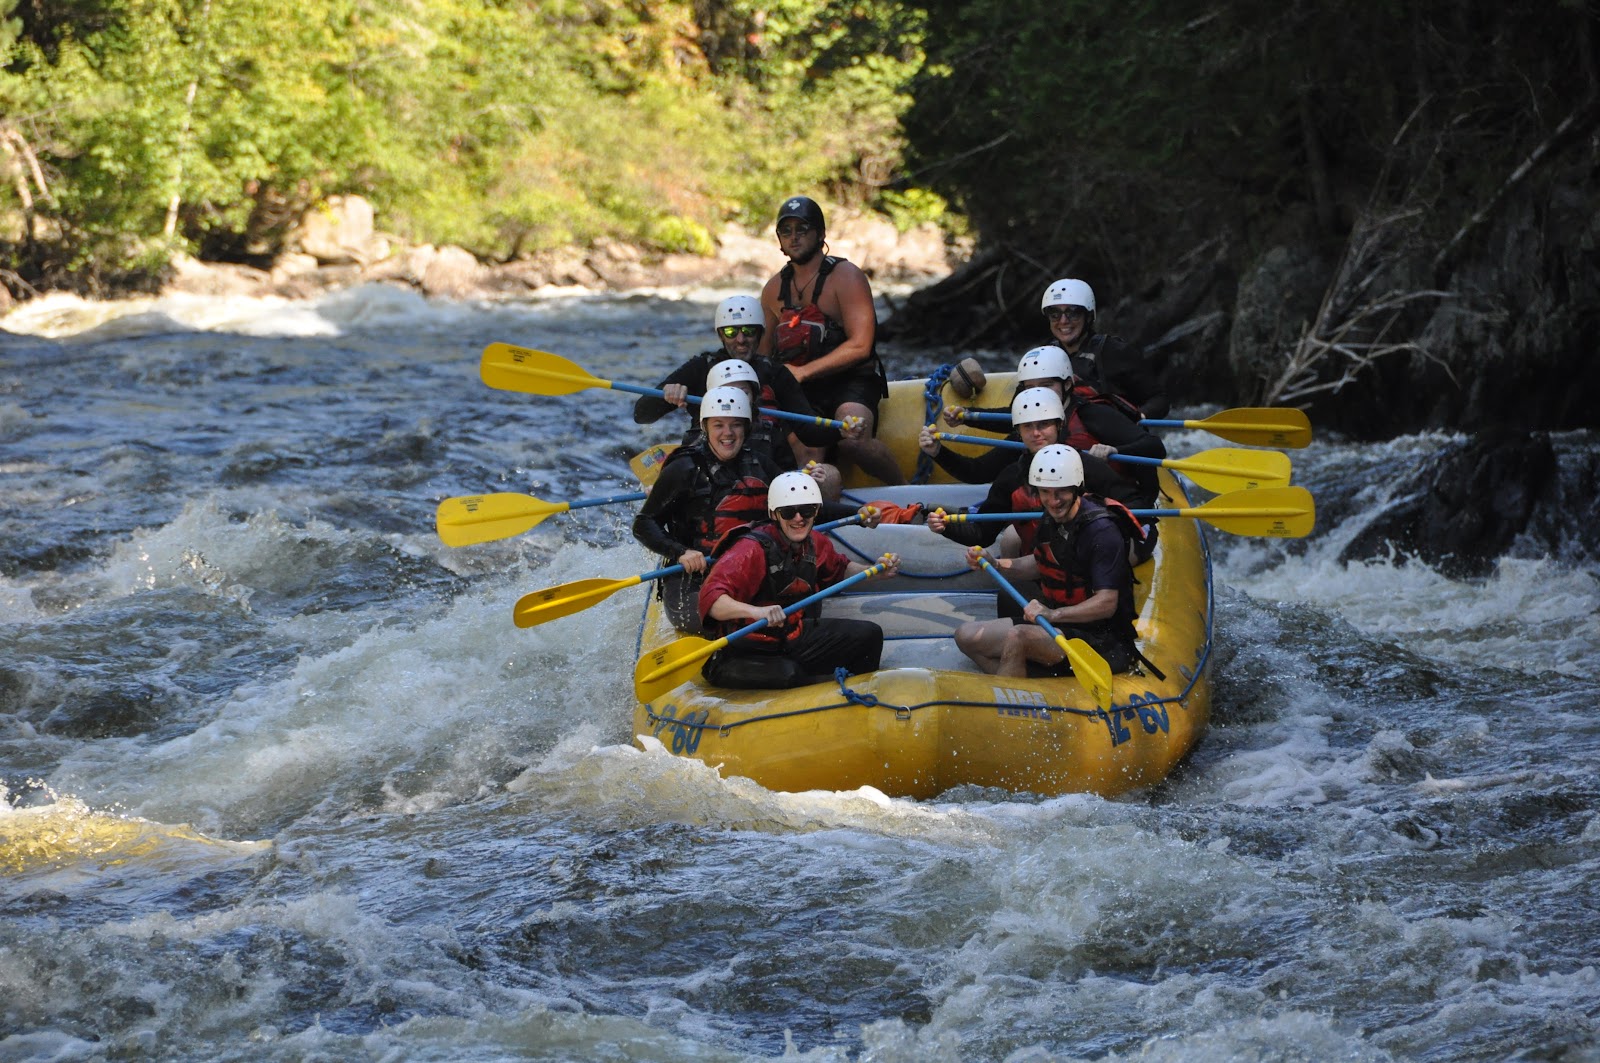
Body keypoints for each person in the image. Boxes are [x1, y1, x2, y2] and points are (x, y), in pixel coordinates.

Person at [698, 471, 901, 689]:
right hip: (745, 648)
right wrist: (756, 612)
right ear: (774, 514)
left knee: (869, 636)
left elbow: (840, 570)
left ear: (816, 512)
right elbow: (711, 601)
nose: (799, 519)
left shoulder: (815, 542)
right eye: (788, 512)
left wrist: (873, 572)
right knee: (790, 674)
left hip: (791, 637)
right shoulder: (750, 550)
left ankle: (857, 698)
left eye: (806, 510)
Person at [952, 445, 1140, 678]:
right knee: (966, 636)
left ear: (1076, 488)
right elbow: (1039, 563)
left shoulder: (1101, 531)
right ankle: (1030, 683)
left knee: (1017, 637)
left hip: (1104, 641)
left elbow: (1107, 603)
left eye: (1061, 492)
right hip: (1059, 626)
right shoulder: (1052, 518)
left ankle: (1011, 697)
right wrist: (996, 564)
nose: (1053, 501)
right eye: (1045, 492)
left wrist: (1053, 615)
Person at [758, 196, 904, 486]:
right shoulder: (773, 289)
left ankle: (904, 490)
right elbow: (763, 357)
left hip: (851, 380)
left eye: (802, 229)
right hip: (802, 390)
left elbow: (861, 345)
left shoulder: (847, 276)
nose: (794, 237)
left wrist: (802, 373)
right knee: (808, 451)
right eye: (786, 231)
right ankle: (812, 509)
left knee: (854, 438)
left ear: (821, 234)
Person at [631, 294, 849, 475]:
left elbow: (809, 431)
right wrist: (665, 395)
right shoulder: (699, 368)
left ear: (760, 333)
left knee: (829, 477)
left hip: (763, 465)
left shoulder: (775, 373)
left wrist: (844, 429)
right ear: (720, 335)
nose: (740, 339)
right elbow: (642, 414)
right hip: (709, 464)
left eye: (748, 331)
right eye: (730, 331)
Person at [931, 344, 1166, 510]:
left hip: (1114, 506)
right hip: (1061, 513)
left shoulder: (1091, 414)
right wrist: (938, 451)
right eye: (1030, 388)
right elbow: (979, 472)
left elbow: (1154, 446)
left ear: (1066, 385)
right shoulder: (1031, 432)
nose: (1039, 394)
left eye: (1046, 385)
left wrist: (1115, 452)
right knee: (1012, 539)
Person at [632, 387, 780, 634]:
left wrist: (858, 513)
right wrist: (680, 552)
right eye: (718, 425)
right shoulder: (684, 468)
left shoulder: (760, 464)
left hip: (745, 573)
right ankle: (744, 619)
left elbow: (796, 506)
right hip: (692, 582)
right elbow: (644, 523)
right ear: (706, 428)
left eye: (735, 425)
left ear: (746, 428)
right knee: (737, 619)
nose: (728, 433)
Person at [1040, 278, 1169, 419]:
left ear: (1088, 317)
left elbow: (1159, 400)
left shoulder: (1115, 352)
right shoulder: (1043, 356)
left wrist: (1138, 417)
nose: (1063, 321)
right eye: (1055, 314)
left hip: (1109, 437)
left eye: (1073, 312)